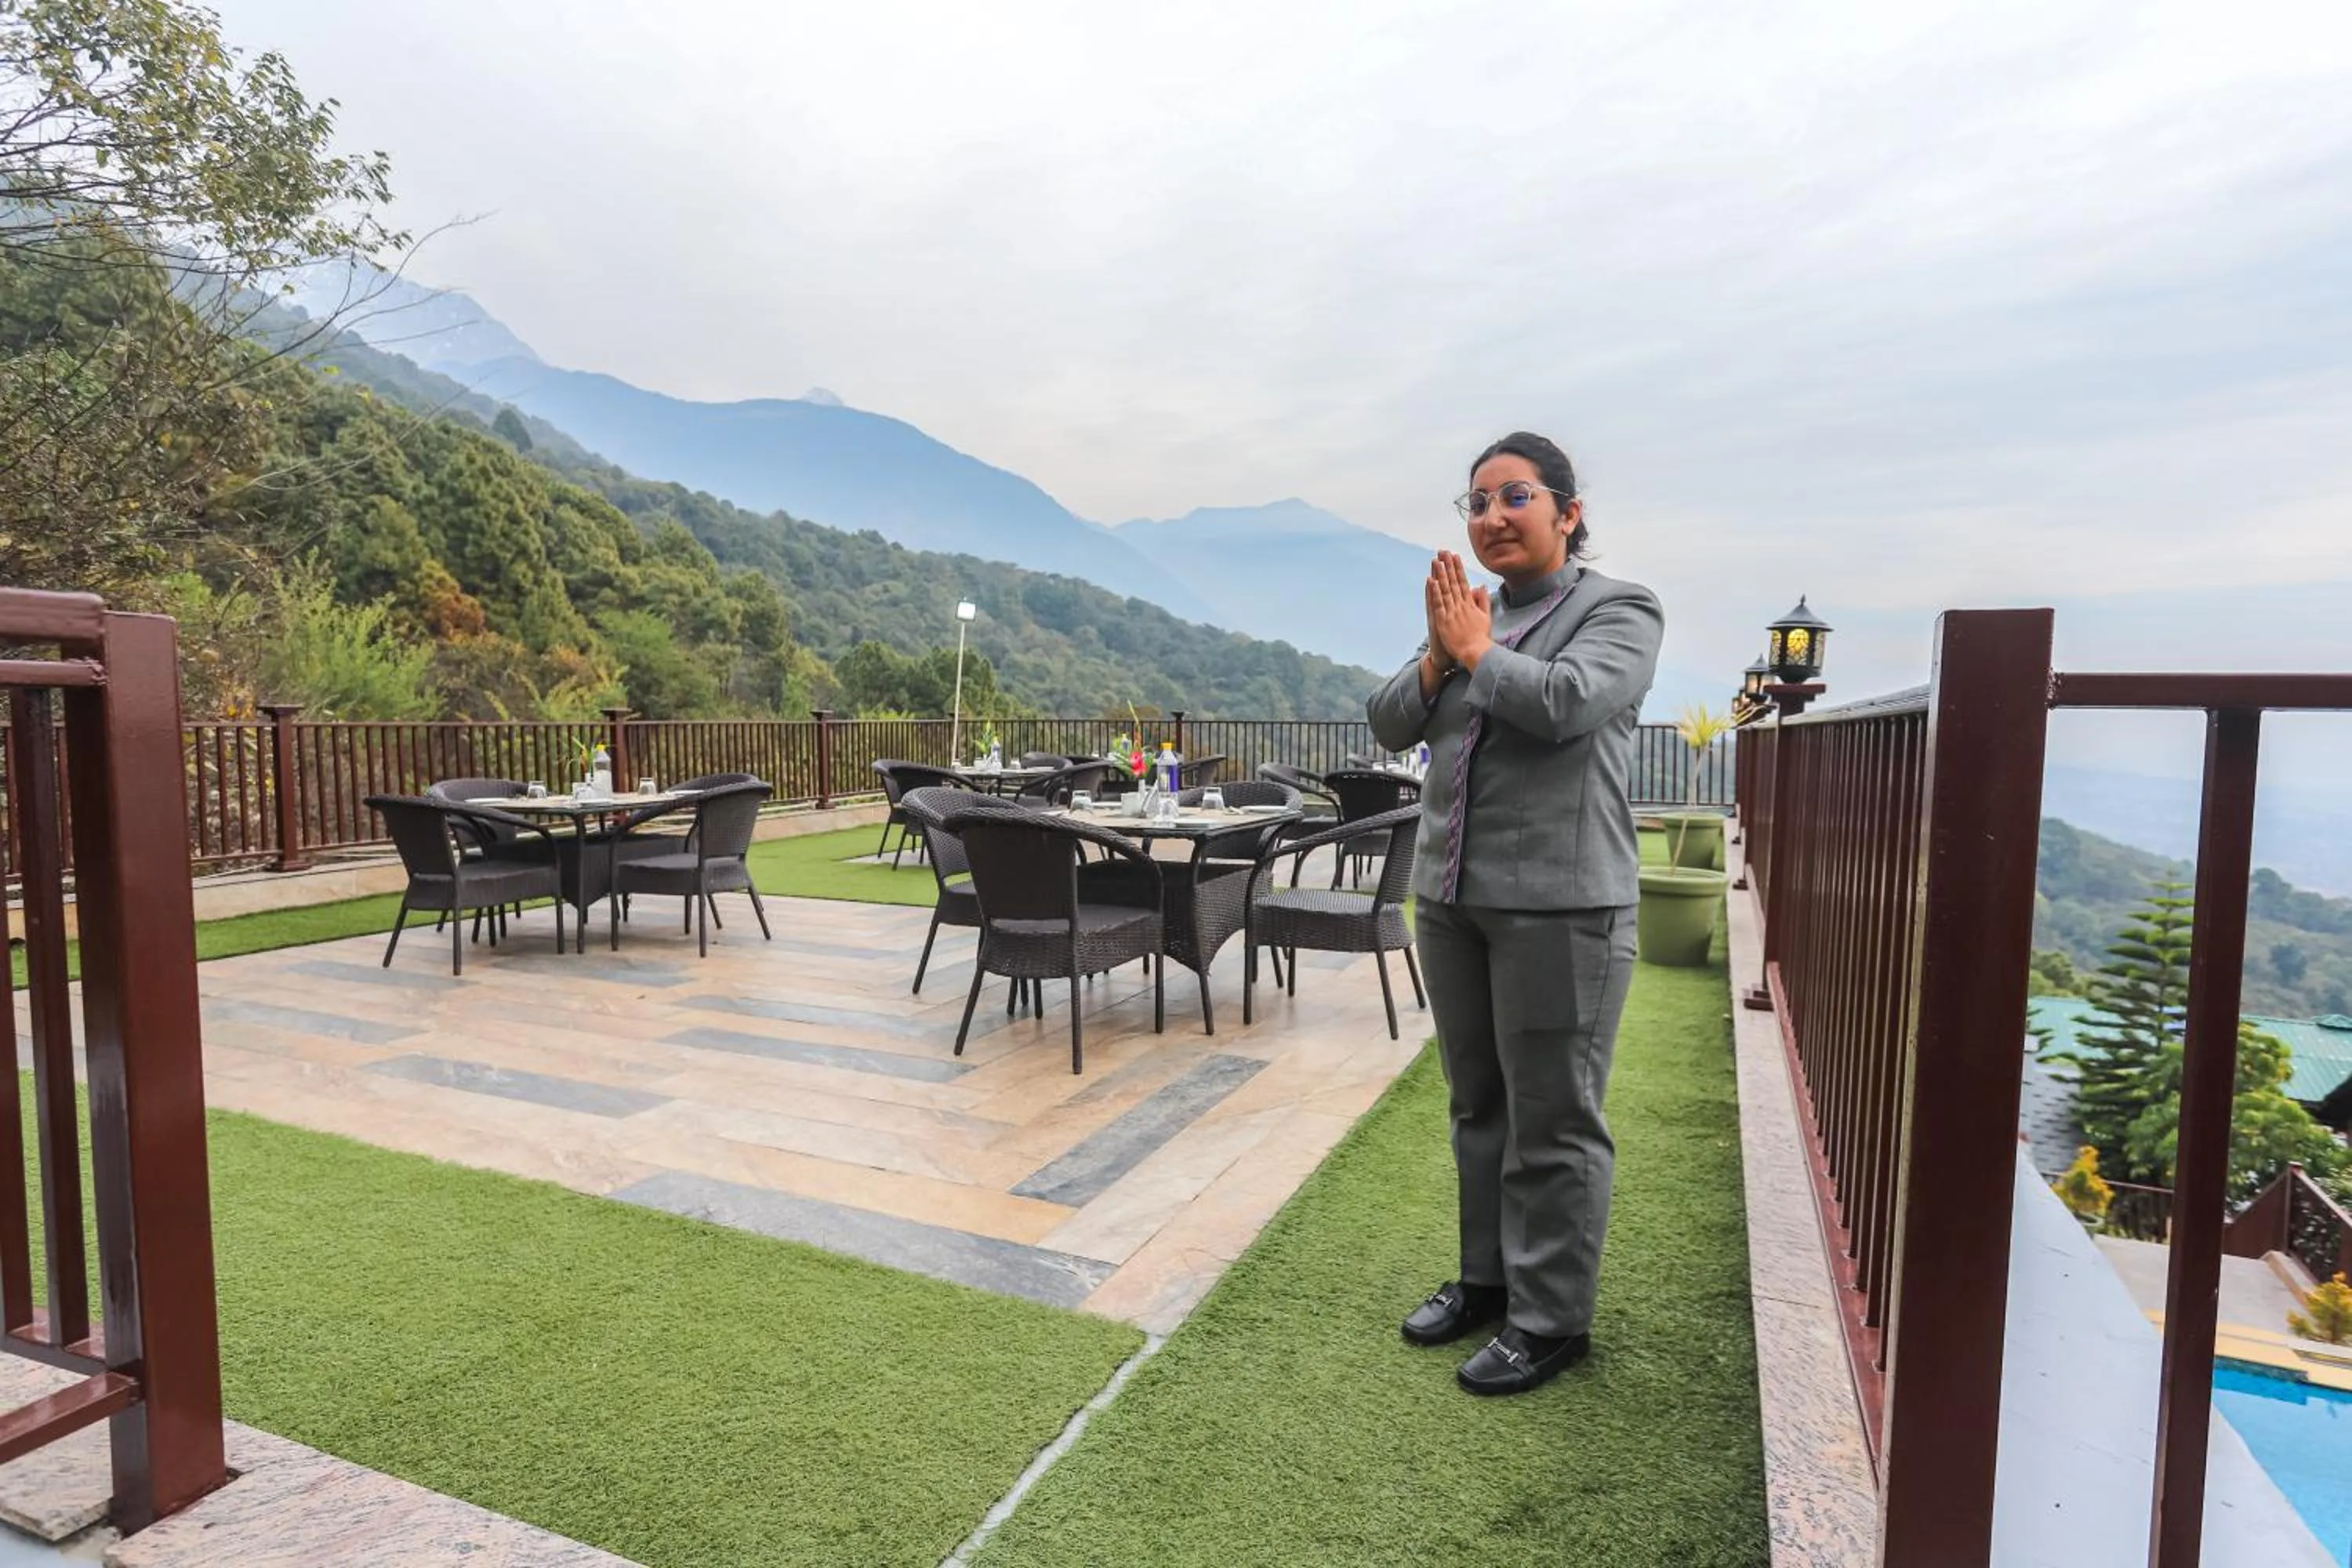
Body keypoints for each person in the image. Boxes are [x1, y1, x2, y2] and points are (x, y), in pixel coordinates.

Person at [1366, 431, 1664, 1396]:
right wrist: (1439, 661)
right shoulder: (1471, 619)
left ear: (1567, 513)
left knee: (1554, 1118)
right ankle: (1487, 1279)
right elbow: (1386, 719)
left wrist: (1473, 652)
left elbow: (1569, 702)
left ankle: (1551, 1318)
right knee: (1478, 1105)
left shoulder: (1619, 608)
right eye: (1477, 501)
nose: (1492, 516)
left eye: (1515, 496)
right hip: (1452, 900)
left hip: (1559, 906)